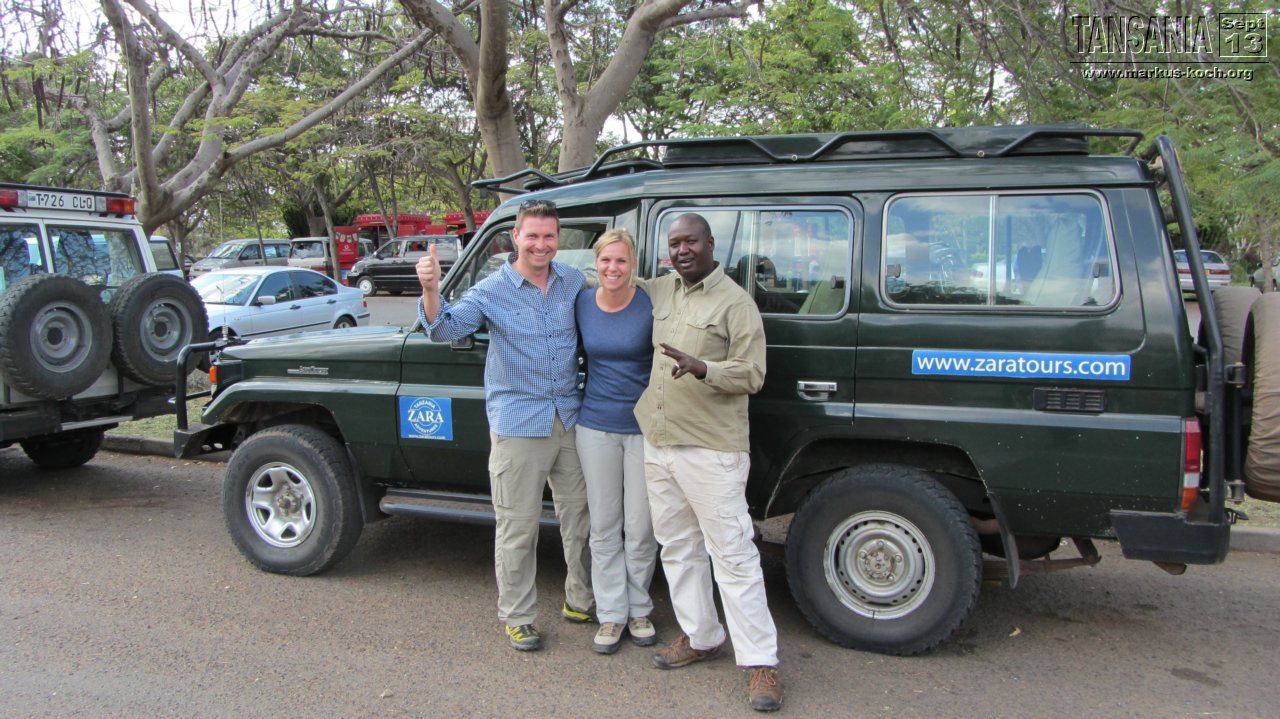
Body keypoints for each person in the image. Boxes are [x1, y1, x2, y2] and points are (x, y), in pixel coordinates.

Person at [415, 199, 593, 652]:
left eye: (549, 236)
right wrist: (431, 289)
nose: (541, 244)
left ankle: (580, 600)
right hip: (518, 422)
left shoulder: (572, 280)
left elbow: (611, 296)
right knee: (518, 526)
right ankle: (518, 617)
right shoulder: (492, 289)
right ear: (515, 237)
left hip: (569, 417)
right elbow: (443, 331)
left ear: (559, 239)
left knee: (581, 519)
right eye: (532, 235)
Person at [634, 213, 783, 712]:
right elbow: (611, 276)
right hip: (660, 444)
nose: (681, 250)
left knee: (733, 556)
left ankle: (761, 662)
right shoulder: (662, 290)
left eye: (690, 241)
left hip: (711, 451)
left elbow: (753, 373)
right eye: (673, 243)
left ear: (709, 243)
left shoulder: (736, 303)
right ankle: (701, 636)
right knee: (677, 547)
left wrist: (704, 368)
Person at [574, 229, 660, 655]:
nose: (613, 268)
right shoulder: (583, 303)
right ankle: (611, 614)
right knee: (605, 526)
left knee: (641, 527)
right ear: (597, 263)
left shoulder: (650, 302)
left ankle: (639, 608)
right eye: (606, 260)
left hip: (643, 429)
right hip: (595, 426)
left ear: (633, 265)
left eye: (621, 261)